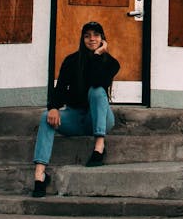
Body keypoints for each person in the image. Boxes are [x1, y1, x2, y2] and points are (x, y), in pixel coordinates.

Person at [32, 21, 120, 198]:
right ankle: (40, 175)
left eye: (96, 35)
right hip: (76, 118)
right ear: (82, 38)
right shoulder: (71, 61)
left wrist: (97, 55)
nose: (91, 39)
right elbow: (61, 88)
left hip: (100, 119)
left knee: (96, 92)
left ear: (102, 39)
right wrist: (54, 108)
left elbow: (97, 82)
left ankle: (99, 147)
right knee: (45, 117)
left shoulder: (110, 63)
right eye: (87, 35)